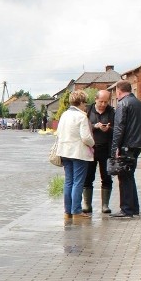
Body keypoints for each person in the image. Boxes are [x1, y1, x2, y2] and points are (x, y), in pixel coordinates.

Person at [110, 81, 141, 219]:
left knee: (124, 176)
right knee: (129, 175)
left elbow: (119, 128)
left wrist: (115, 147)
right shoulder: (140, 104)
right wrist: (138, 136)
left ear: (118, 91)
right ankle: (134, 208)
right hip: (137, 145)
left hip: (126, 145)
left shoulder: (122, 104)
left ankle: (127, 209)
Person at [56, 90, 95, 222]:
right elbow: (86, 137)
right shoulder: (81, 117)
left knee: (68, 182)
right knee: (78, 182)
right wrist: (93, 143)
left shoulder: (64, 115)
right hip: (78, 153)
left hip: (64, 152)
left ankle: (67, 212)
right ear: (81, 102)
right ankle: (77, 211)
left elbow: (59, 133)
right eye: (85, 103)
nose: (86, 106)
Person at [83, 90, 115, 214]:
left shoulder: (112, 111)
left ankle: (105, 205)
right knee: (88, 177)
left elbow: (117, 128)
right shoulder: (88, 110)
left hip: (106, 149)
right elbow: (82, 127)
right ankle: (87, 204)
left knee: (106, 177)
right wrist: (95, 126)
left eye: (105, 102)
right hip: (90, 149)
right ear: (96, 99)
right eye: (101, 101)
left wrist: (108, 128)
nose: (103, 104)